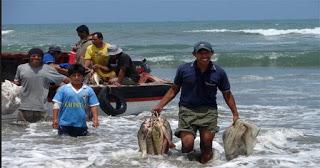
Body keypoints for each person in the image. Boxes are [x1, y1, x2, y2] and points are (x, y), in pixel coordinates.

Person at [152, 41, 240, 164]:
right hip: (187, 110)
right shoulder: (184, 69)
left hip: (209, 112)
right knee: (187, 144)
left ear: (212, 53)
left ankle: (203, 164)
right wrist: (160, 105)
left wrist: (235, 113)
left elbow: (227, 93)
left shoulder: (219, 72)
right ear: (194, 54)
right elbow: (174, 89)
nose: (204, 55)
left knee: (206, 145)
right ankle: (186, 165)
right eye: (200, 52)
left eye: (207, 52)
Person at [13, 48, 69, 123]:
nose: (36, 57)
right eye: (33, 55)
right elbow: (16, 81)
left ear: (42, 57)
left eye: (39, 56)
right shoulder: (21, 68)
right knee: (21, 131)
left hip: (41, 108)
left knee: (41, 132)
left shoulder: (48, 69)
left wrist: (79, 87)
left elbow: (63, 79)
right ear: (29, 57)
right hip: (23, 107)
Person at [52, 64, 99, 137]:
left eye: (79, 75)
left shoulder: (88, 90)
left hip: (81, 125)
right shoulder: (63, 89)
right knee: (64, 146)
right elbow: (56, 105)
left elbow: (93, 105)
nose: (76, 78)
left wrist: (95, 119)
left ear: (83, 76)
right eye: (74, 75)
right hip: (64, 125)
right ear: (70, 76)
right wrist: (55, 119)